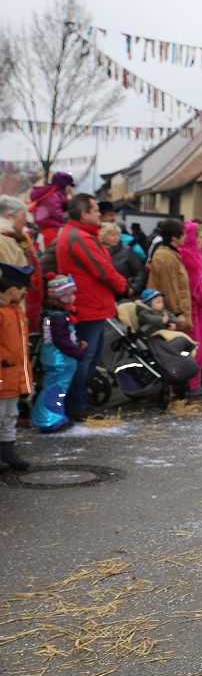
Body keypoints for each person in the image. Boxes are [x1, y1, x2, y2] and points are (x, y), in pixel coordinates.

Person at [56, 194, 127, 421]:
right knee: (86, 358)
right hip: (88, 306)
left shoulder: (81, 234)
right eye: (96, 210)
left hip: (91, 304)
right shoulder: (80, 238)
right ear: (84, 213)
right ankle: (76, 404)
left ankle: (79, 402)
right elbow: (102, 269)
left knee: (90, 357)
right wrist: (122, 285)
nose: (100, 214)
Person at [31, 273, 85, 433]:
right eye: (71, 294)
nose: (74, 297)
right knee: (56, 389)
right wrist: (77, 351)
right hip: (59, 359)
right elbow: (61, 340)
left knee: (57, 389)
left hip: (59, 357)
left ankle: (53, 416)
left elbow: (63, 337)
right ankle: (48, 419)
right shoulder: (56, 318)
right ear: (63, 297)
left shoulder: (55, 316)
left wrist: (77, 343)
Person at [0, 264, 34, 471]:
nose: (24, 294)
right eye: (23, 290)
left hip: (13, 374)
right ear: (13, 290)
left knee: (10, 414)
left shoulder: (15, 311)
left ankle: (7, 449)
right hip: (2, 373)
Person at [0, 195, 43, 331]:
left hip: (15, 304)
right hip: (7, 306)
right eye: (22, 216)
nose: (25, 221)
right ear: (8, 216)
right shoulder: (5, 238)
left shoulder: (16, 238)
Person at [147, 219, 192, 333]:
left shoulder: (170, 254)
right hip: (171, 317)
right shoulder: (166, 258)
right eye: (183, 234)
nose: (185, 237)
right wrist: (177, 313)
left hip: (173, 314)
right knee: (178, 349)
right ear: (174, 237)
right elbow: (169, 288)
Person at [100, 222, 145, 300]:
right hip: (101, 296)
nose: (116, 237)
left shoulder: (126, 251)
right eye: (112, 235)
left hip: (122, 296)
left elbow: (139, 272)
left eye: (118, 235)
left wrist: (133, 289)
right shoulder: (96, 251)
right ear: (103, 236)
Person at [28, 172, 72, 249]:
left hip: (49, 223)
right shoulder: (54, 196)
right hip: (49, 224)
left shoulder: (57, 194)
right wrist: (68, 217)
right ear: (64, 185)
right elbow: (57, 213)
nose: (70, 188)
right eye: (69, 186)